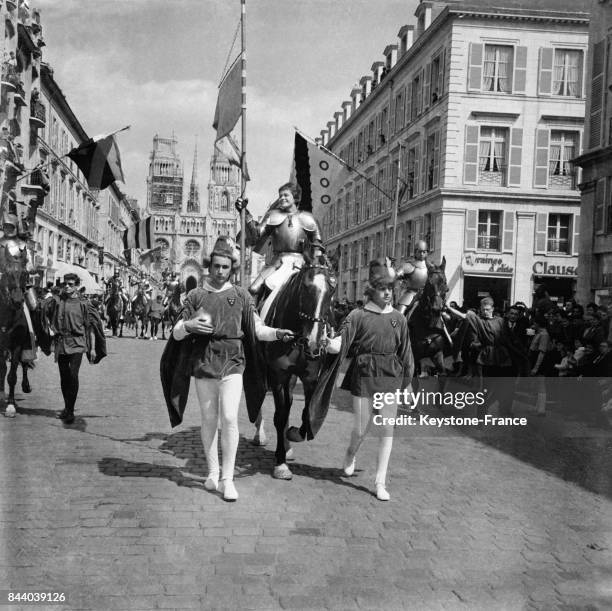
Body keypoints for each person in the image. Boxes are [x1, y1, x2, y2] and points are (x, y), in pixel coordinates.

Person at [167, 236, 295, 502]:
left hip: (233, 362)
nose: (220, 271)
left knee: (228, 418)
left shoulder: (241, 295)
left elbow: (257, 329)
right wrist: (189, 326)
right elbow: (176, 333)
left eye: (225, 267)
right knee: (209, 419)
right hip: (203, 363)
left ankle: (228, 479)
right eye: (216, 266)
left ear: (231, 269)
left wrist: (278, 333)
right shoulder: (195, 296)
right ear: (209, 266)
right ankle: (213, 472)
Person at [306, 259, 414, 501]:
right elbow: (341, 341)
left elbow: (406, 353)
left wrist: (408, 384)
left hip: (390, 374)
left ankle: (380, 482)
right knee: (361, 428)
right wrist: (328, 343)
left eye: (390, 289)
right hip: (364, 372)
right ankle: (350, 453)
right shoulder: (358, 315)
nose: (387, 293)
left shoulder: (399, 318)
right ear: (371, 291)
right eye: (382, 289)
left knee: (387, 430)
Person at [235, 183, 324, 316]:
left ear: (295, 197)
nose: (282, 198)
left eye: (285, 195)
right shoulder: (273, 215)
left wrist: (316, 265)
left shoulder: (308, 218)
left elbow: (318, 244)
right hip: (277, 262)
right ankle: (253, 323)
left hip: (302, 264)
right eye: (280, 195)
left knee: (320, 291)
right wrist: (245, 213)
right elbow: (256, 236)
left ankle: (325, 327)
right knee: (253, 289)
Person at [46, 273, 106, 424]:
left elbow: (91, 327)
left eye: (71, 284)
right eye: (65, 283)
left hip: (78, 343)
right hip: (61, 342)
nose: (67, 286)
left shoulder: (84, 304)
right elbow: (43, 311)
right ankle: (67, 408)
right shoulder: (57, 301)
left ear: (77, 286)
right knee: (64, 376)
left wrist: (92, 348)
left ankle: (70, 411)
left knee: (73, 375)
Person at [446, 297, 518, 418]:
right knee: (486, 387)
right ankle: (480, 415)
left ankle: (499, 409)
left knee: (503, 385)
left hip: (502, 358)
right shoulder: (478, 320)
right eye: (483, 309)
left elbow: (509, 338)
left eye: (488, 309)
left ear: (493, 309)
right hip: (487, 358)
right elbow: (465, 316)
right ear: (480, 309)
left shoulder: (501, 321)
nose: (485, 312)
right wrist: (449, 308)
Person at [396, 240, 431, 315]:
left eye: (424, 252)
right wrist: (399, 275)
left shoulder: (431, 267)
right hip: (411, 294)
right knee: (400, 313)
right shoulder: (408, 265)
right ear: (415, 252)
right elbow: (396, 275)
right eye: (419, 252)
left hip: (427, 295)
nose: (422, 254)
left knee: (441, 315)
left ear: (427, 253)